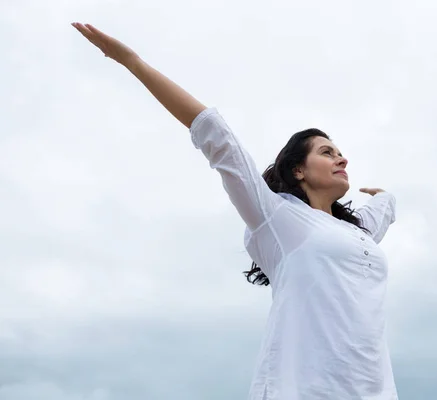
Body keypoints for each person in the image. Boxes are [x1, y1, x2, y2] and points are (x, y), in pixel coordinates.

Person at [72, 22, 398, 400]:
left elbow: (383, 209)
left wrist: (385, 196)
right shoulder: (280, 219)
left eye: (340, 152)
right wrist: (132, 61)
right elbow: (218, 138)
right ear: (298, 170)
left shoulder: (359, 233)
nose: (341, 158)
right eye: (327, 152)